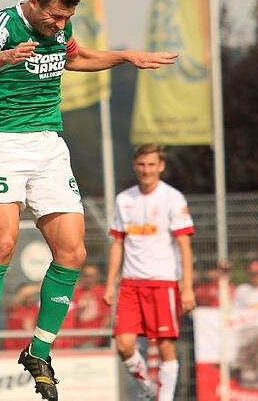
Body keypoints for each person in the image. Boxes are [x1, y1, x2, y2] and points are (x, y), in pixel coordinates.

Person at [0, 0, 177, 401]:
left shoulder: (61, 28)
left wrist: (125, 56)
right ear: (35, 2)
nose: (59, 26)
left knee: (73, 251)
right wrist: (7, 57)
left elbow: (74, 57)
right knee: (2, 243)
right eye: (54, 18)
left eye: (66, 19)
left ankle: (39, 351)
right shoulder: (0, 22)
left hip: (49, 146)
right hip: (4, 140)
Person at [103, 144, 195, 401]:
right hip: (131, 285)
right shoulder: (124, 200)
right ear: (135, 166)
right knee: (124, 345)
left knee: (165, 346)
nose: (147, 170)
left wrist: (187, 287)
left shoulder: (173, 198)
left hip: (163, 283)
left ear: (161, 166)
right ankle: (148, 389)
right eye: (142, 165)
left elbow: (184, 246)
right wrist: (110, 284)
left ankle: (164, 399)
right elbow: (118, 244)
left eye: (152, 164)